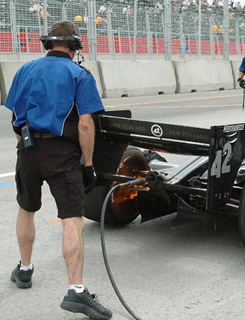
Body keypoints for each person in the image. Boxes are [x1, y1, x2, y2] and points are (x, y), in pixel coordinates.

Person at [5, 21, 112, 319]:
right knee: (72, 219)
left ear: (47, 44)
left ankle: (24, 270)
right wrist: (88, 164)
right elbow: (86, 124)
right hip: (62, 154)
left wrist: (26, 146)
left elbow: (14, 116)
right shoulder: (80, 74)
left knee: (26, 208)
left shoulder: (24, 70)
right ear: (75, 46)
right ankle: (76, 290)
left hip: (27, 150)